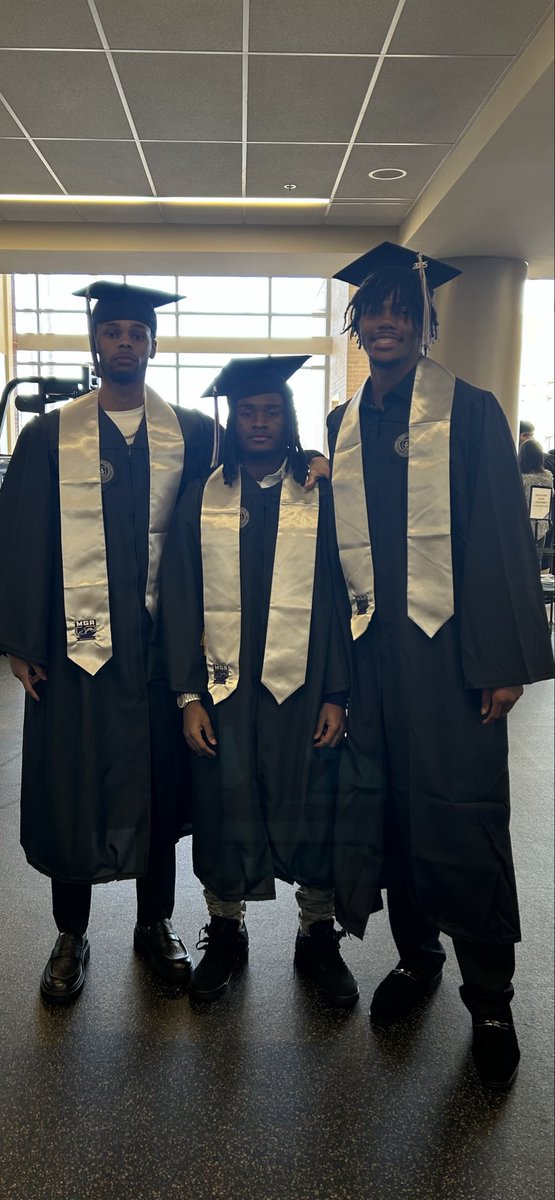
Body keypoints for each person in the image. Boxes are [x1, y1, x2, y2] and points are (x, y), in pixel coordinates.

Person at [328, 242, 553, 1090]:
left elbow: (499, 535)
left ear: (424, 322)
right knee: (387, 818)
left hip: (449, 660)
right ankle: (417, 958)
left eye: (399, 309)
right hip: (369, 659)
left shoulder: (472, 411)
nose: (384, 322)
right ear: (358, 325)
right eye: (371, 310)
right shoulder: (340, 427)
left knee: (459, 817)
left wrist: (501, 664)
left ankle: (488, 998)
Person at [0, 281, 218, 1002]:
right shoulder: (46, 436)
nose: (124, 342)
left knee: (156, 787)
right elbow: (22, 540)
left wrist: (311, 461)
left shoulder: (191, 432)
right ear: (95, 343)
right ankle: (70, 932)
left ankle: (154, 923)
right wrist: (20, 640)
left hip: (159, 656)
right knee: (73, 789)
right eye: (112, 331)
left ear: (153, 344)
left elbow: (234, 513)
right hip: (75, 653)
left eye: (137, 332)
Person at [160, 356, 358, 1007]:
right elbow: (183, 598)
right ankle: (226, 930)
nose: (260, 422)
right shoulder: (202, 495)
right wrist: (188, 696)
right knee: (224, 807)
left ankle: (316, 936)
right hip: (225, 692)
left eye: (270, 411)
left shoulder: (318, 492)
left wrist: (336, 691)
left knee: (314, 808)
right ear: (232, 420)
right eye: (248, 412)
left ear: (287, 417)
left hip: (302, 691)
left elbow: (336, 598)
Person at [518, 438, 554, 564]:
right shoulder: (548, 476)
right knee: (536, 560)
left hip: (520, 524)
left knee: (519, 560)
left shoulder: (519, 477)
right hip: (541, 523)